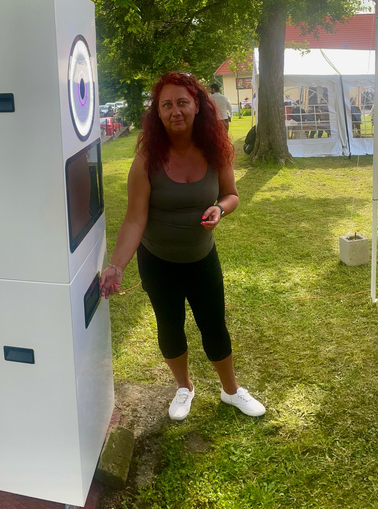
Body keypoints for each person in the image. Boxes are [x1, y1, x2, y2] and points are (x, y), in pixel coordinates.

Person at [100, 72, 265, 421]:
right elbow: (134, 219)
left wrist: (220, 209)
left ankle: (230, 390)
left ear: (197, 105)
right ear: (157, 113)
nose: (175, 111)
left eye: (182, 102)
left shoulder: (215, 149)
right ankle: (184, 387)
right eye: (166, 105)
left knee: (214, 325)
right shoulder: (147, 159)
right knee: (170, 326)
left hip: (201, 257)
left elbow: (232, 195)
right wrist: (116, 266)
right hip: (157, 261)